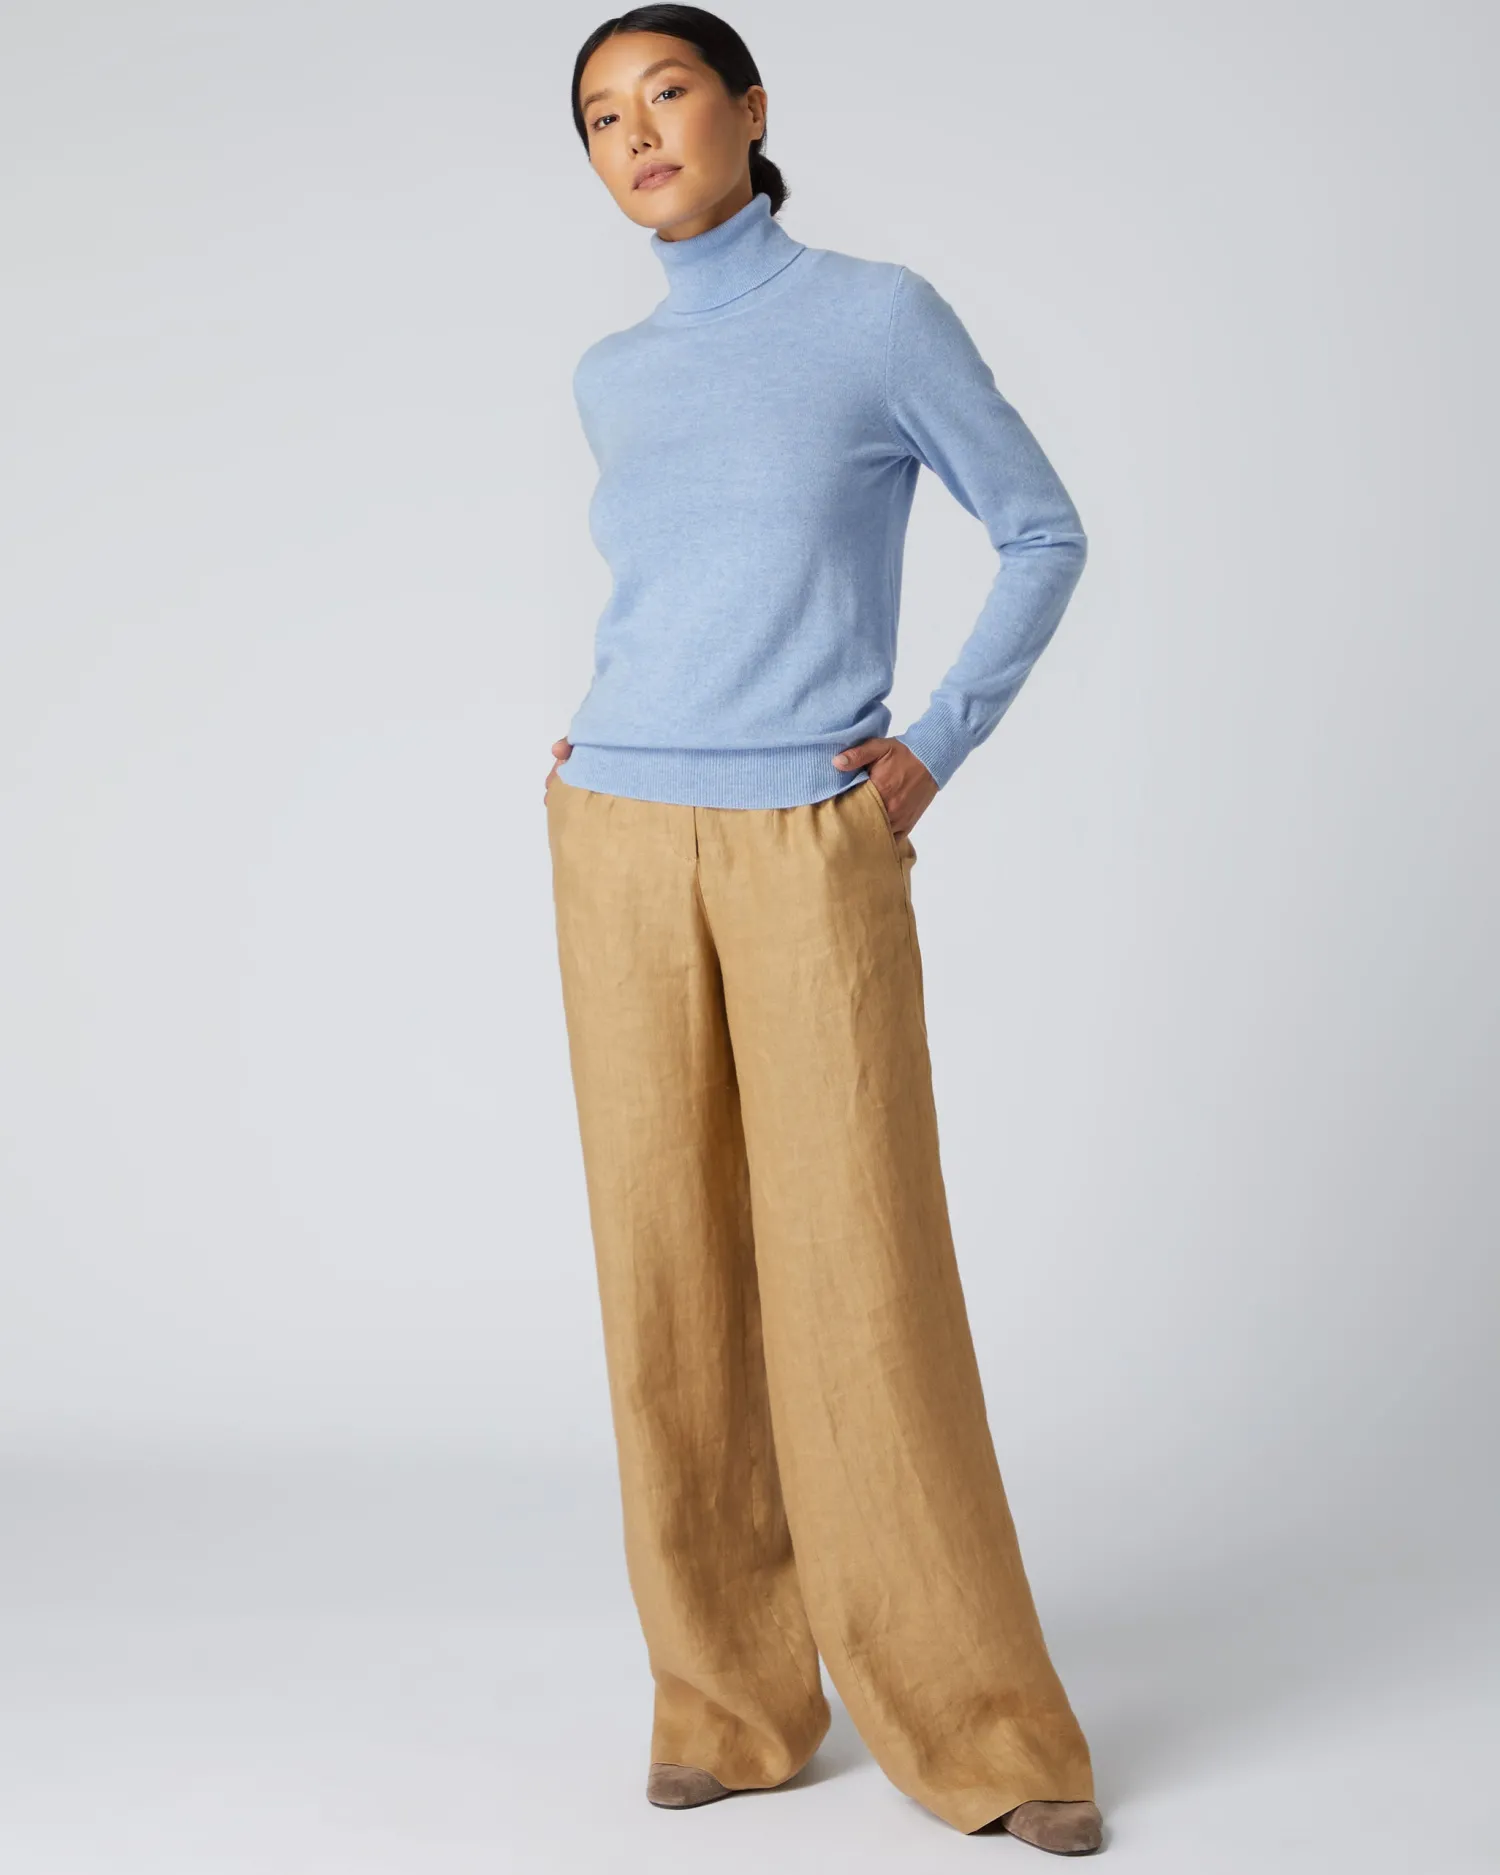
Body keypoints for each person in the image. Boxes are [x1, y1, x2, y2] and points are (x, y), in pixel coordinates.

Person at [544, 6, 1103, 1855]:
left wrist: (933, 747)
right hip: (617, 835)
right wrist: (594, 754)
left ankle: (985, 1724)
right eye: (602, 117)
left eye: (667, 92)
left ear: (750, 108)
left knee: (858, 1270)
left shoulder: (874, 318)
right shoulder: (613, 374)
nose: (638, 133)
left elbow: (1042, 529)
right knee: (667, 1275)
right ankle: (724, 1697)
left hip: (811, 833)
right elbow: (677, 592)